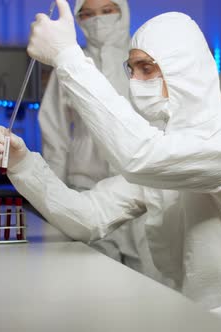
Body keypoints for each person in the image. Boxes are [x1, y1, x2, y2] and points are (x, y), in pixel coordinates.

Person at [0, 1, 221, 330]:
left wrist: (66, 56)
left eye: (147, 68)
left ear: (182, 69)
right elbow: (89, 217)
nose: (135, 81)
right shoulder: (167, 150)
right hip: (188, 315)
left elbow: (140, 157)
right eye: (131, 70)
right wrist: (23, 165)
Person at [39, 0, 140, 267]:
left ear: (122, 12)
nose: (97, 20)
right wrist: (55, 201)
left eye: (107, 10)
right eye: (87, 14)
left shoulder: (144, 60)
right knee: (93, 278)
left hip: (141, 187)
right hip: (85, 185)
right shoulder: (69, 63)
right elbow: (54, 137)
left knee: (148, 283)